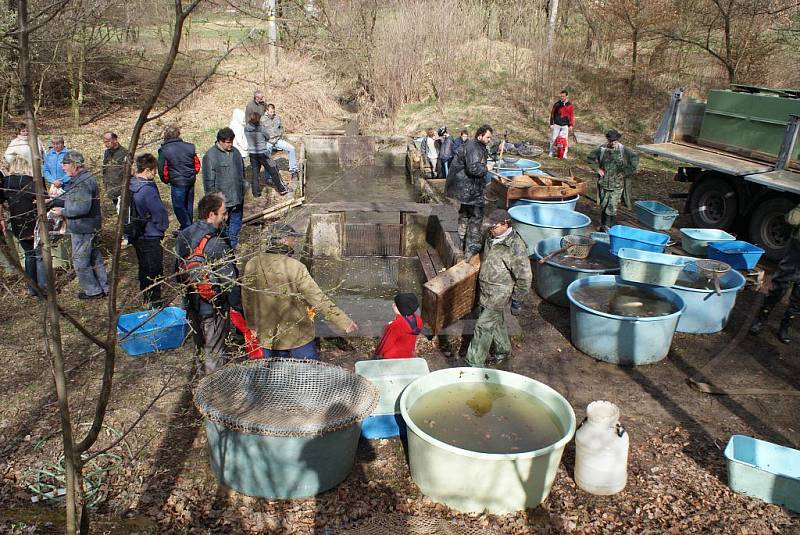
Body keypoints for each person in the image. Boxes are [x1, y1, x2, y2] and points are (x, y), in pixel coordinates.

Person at [242, 223, 358, 359]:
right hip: (297, 333)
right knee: (308, 372)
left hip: (268, 333)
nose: (295, 242)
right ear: (283, 241)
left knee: (275, 375)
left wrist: (252, 325)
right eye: (292, 238)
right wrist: (343, 321)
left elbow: (247, 300)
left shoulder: (253, 264)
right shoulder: (295, 267)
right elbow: (317, 298)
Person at [176, 193, 238, 374]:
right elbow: (229, 281)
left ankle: (200, 384)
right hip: (213, 308)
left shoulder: (184, 235)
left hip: (191, 303)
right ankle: (215, 393)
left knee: (200, 349)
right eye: (223, 213)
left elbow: (177, 271)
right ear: (211, 214)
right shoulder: (217, 243)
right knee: (215, 352)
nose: (226, 217)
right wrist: (237, 307)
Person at [465, 209, 532, 368]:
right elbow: (483, 244)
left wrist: (517, 300)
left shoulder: (515, 247)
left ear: (505, 224)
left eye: (493, 227)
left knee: (483, 326)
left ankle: (472, 365)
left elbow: (525, 276)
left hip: (499, 294)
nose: (490, 229)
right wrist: (475, 247)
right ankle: (503, 351)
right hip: (485, 289)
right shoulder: (491, 235)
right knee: (496, 321)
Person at [50, 150, 109, 299]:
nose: (62, 167)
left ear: (74, 165)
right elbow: (73, 200)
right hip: (89, 226)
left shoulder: (83, 182)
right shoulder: (80, 179)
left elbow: (81, 207)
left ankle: (93, 291)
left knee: (80, 262)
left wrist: (62, 211)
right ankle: (104, 287)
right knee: (94, 257)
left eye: (65, 164)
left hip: (83, 228)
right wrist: (52, 201)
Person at [749, 203, 800, 344]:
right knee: (779, 287)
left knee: (798, 297)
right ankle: (761, 320)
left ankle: (785, 327)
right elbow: (792, 219)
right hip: (796, 252)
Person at [445, 124, 493, 256]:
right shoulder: (474, 147)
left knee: (465, 214)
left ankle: (461, 244)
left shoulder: (474, 145)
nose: (489, 140)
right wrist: (487, 168)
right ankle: (469, 250)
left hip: (464, 189)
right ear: (480, 135)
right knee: (476, 217)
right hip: (469, 189)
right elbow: (474, 169)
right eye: (488, 137)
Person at [129, 154, 169, 308]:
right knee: (154, 269)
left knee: (143, 267)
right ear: (147, 170)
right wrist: (161, 227)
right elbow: (158, 213)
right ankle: (155, 302)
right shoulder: (146, 190)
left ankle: (146, 296)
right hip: (150, 234)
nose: (155, 174)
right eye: (153, 171)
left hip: (136, 233)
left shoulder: (131, 185)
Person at [0, 155, 42, 296]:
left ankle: (32, 288)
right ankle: (43, 285)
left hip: (18, 223)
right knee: (39, 255)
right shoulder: (31, 181)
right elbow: (42, 198)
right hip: (34, 221)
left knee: (29, 255)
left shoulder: (6, 182)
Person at [586, 129, 639, 231]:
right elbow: (590, 158)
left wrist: (625, 173)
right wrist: (597, 169)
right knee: (603, 205)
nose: (613, 143)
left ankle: (612, 229)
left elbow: (634, 161)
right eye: (611, 141)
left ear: (618, 140)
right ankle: (603, 227)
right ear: (607, 140)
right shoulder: (601, 149)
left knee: (612, 206)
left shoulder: (624, 150)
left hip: (617, 185)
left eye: (615, 141)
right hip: (604, 183)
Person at [202, 128, 246, 249]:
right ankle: (225, 246)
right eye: (227, 142)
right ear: (220, 141)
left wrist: (243, 189)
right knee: (223, 225)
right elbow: (208, 181)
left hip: (237, 196)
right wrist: (213, 201)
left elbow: (242, 173)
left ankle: (233, 243)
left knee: (236, 221)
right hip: (222, 199)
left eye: (231, 141)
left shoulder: (236, 153)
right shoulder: (210, 156)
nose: (230, 144)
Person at [157, 125, 200, 230]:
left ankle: (187, 227)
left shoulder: (164, 150)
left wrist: (166, 180)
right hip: (190, 180)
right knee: (188, 205)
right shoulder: (190, 147)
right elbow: (197, 164)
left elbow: (162, 169)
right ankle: (187, 226)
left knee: (178, 207)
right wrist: (192, 173)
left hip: (177, 183)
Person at [244, 111, 288, 197]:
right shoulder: (261, 128)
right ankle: (282, 189)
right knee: (273, 170)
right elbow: (267, 137)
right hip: (264, 154)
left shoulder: (246, 128)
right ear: (258, 120)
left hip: (252, 154)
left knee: (255, 174)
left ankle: (256, 193)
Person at [375, 293, 423, 359]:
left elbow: (386, 344)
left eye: (395, 304)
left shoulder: (396, 325)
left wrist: (377, 354)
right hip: (409, 353)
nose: (393, 305)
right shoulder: (418, 319)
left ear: (401, 308)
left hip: (393, 356)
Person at [261, 103, 299, 181]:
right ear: (267, 111)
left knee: (291, 148)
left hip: (277, 140)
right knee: (267, 157)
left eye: (273, 112)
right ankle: (269, 178)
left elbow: (281, 127)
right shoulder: (262, 119)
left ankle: (294, 170)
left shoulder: (277, 117)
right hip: (268, 141)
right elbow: (260, 132)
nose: (272, 113)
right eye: (271, 112)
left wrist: (280, 134)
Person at [101, 132, 129, 213]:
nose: (106, 144)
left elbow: (128, 172)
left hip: (121, 189)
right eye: (104, 142)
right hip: (111, 188)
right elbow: (105, 168)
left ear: (115, 140)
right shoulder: (107, 153)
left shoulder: (124, 153)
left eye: (108, 141)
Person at [548, 90, 574, 157]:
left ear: (567, 96)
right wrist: (551, 124)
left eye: (563, 96)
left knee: (565, 140)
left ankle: (564, 154)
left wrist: (571, 125)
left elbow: (571, 115)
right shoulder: (557, 104)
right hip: (557, 124)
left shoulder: (570, 105)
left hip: (565, 125)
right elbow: (552, 114)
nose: (562, 97)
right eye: (561, 96)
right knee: (553, 139)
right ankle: (551, 152)